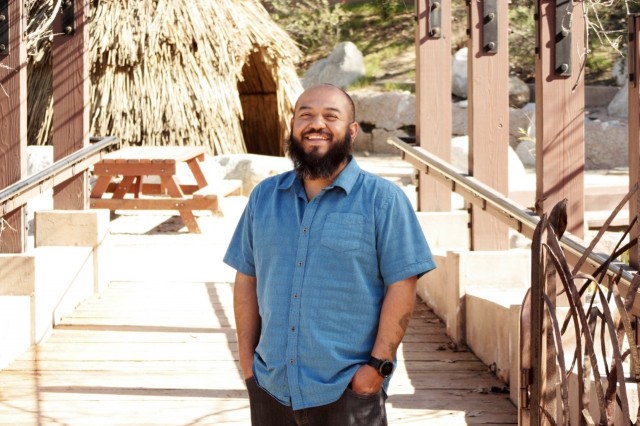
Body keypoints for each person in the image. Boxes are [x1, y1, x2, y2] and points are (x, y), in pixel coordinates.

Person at [223, 84, 435, 426]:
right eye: (305, 115)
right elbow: (246, 278)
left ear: (351, 131)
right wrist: (248, 364)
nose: (316, 124)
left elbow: (402, 286)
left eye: (330, 116)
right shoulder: (263, 197)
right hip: (271, 387)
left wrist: (377, 368)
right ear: (293, 126)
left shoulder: (384, 201)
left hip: (347, 391)